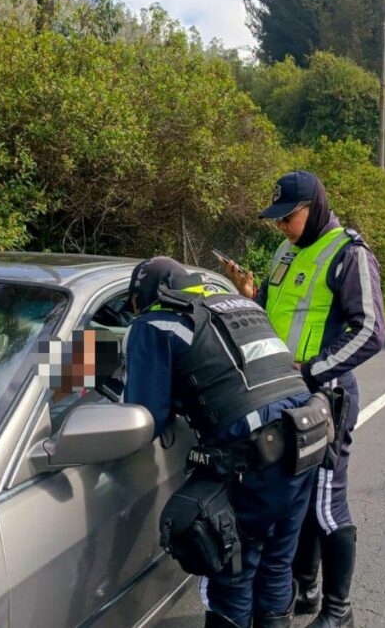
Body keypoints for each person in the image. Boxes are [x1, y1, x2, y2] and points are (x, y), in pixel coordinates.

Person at [221, 170, 385, 628]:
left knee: (327, 506)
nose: (280, 227)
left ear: (314, 207)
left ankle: (338, 610)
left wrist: (311, 369)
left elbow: (372, 331)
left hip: (324, 400)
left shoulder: (348, 254)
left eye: (287, 218)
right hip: (283, 399)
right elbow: (273, 309)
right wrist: (248, 295)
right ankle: (307, 587)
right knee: (300, 497)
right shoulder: (286, 251)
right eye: (277, 220)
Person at [122, 257, 321, 628]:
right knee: (276, 560)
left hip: (255, 451)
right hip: (306, 433)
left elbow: (145, 415)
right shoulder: (237, 303)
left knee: (234, 570)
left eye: (133, 305)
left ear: (142, 296)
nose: (134, 312)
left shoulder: (153, 323)